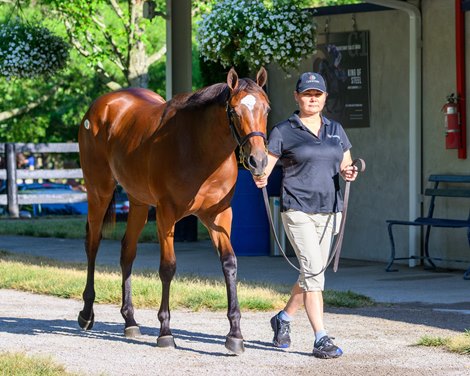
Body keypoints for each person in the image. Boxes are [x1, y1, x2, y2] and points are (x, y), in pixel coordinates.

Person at [253, 72, 358, 359]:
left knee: (312, 274)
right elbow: (267, 166)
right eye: (307, 93)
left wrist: (350, 172)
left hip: (329, 210)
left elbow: (345, 165)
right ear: (297, 97)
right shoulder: (283, 131)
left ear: (325, 97)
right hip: (297, 209)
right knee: (313, 271)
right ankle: (320, 337)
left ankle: (283, 318)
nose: (312, 98)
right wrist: (260, 175)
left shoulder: (335, 129)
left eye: (318, 94)